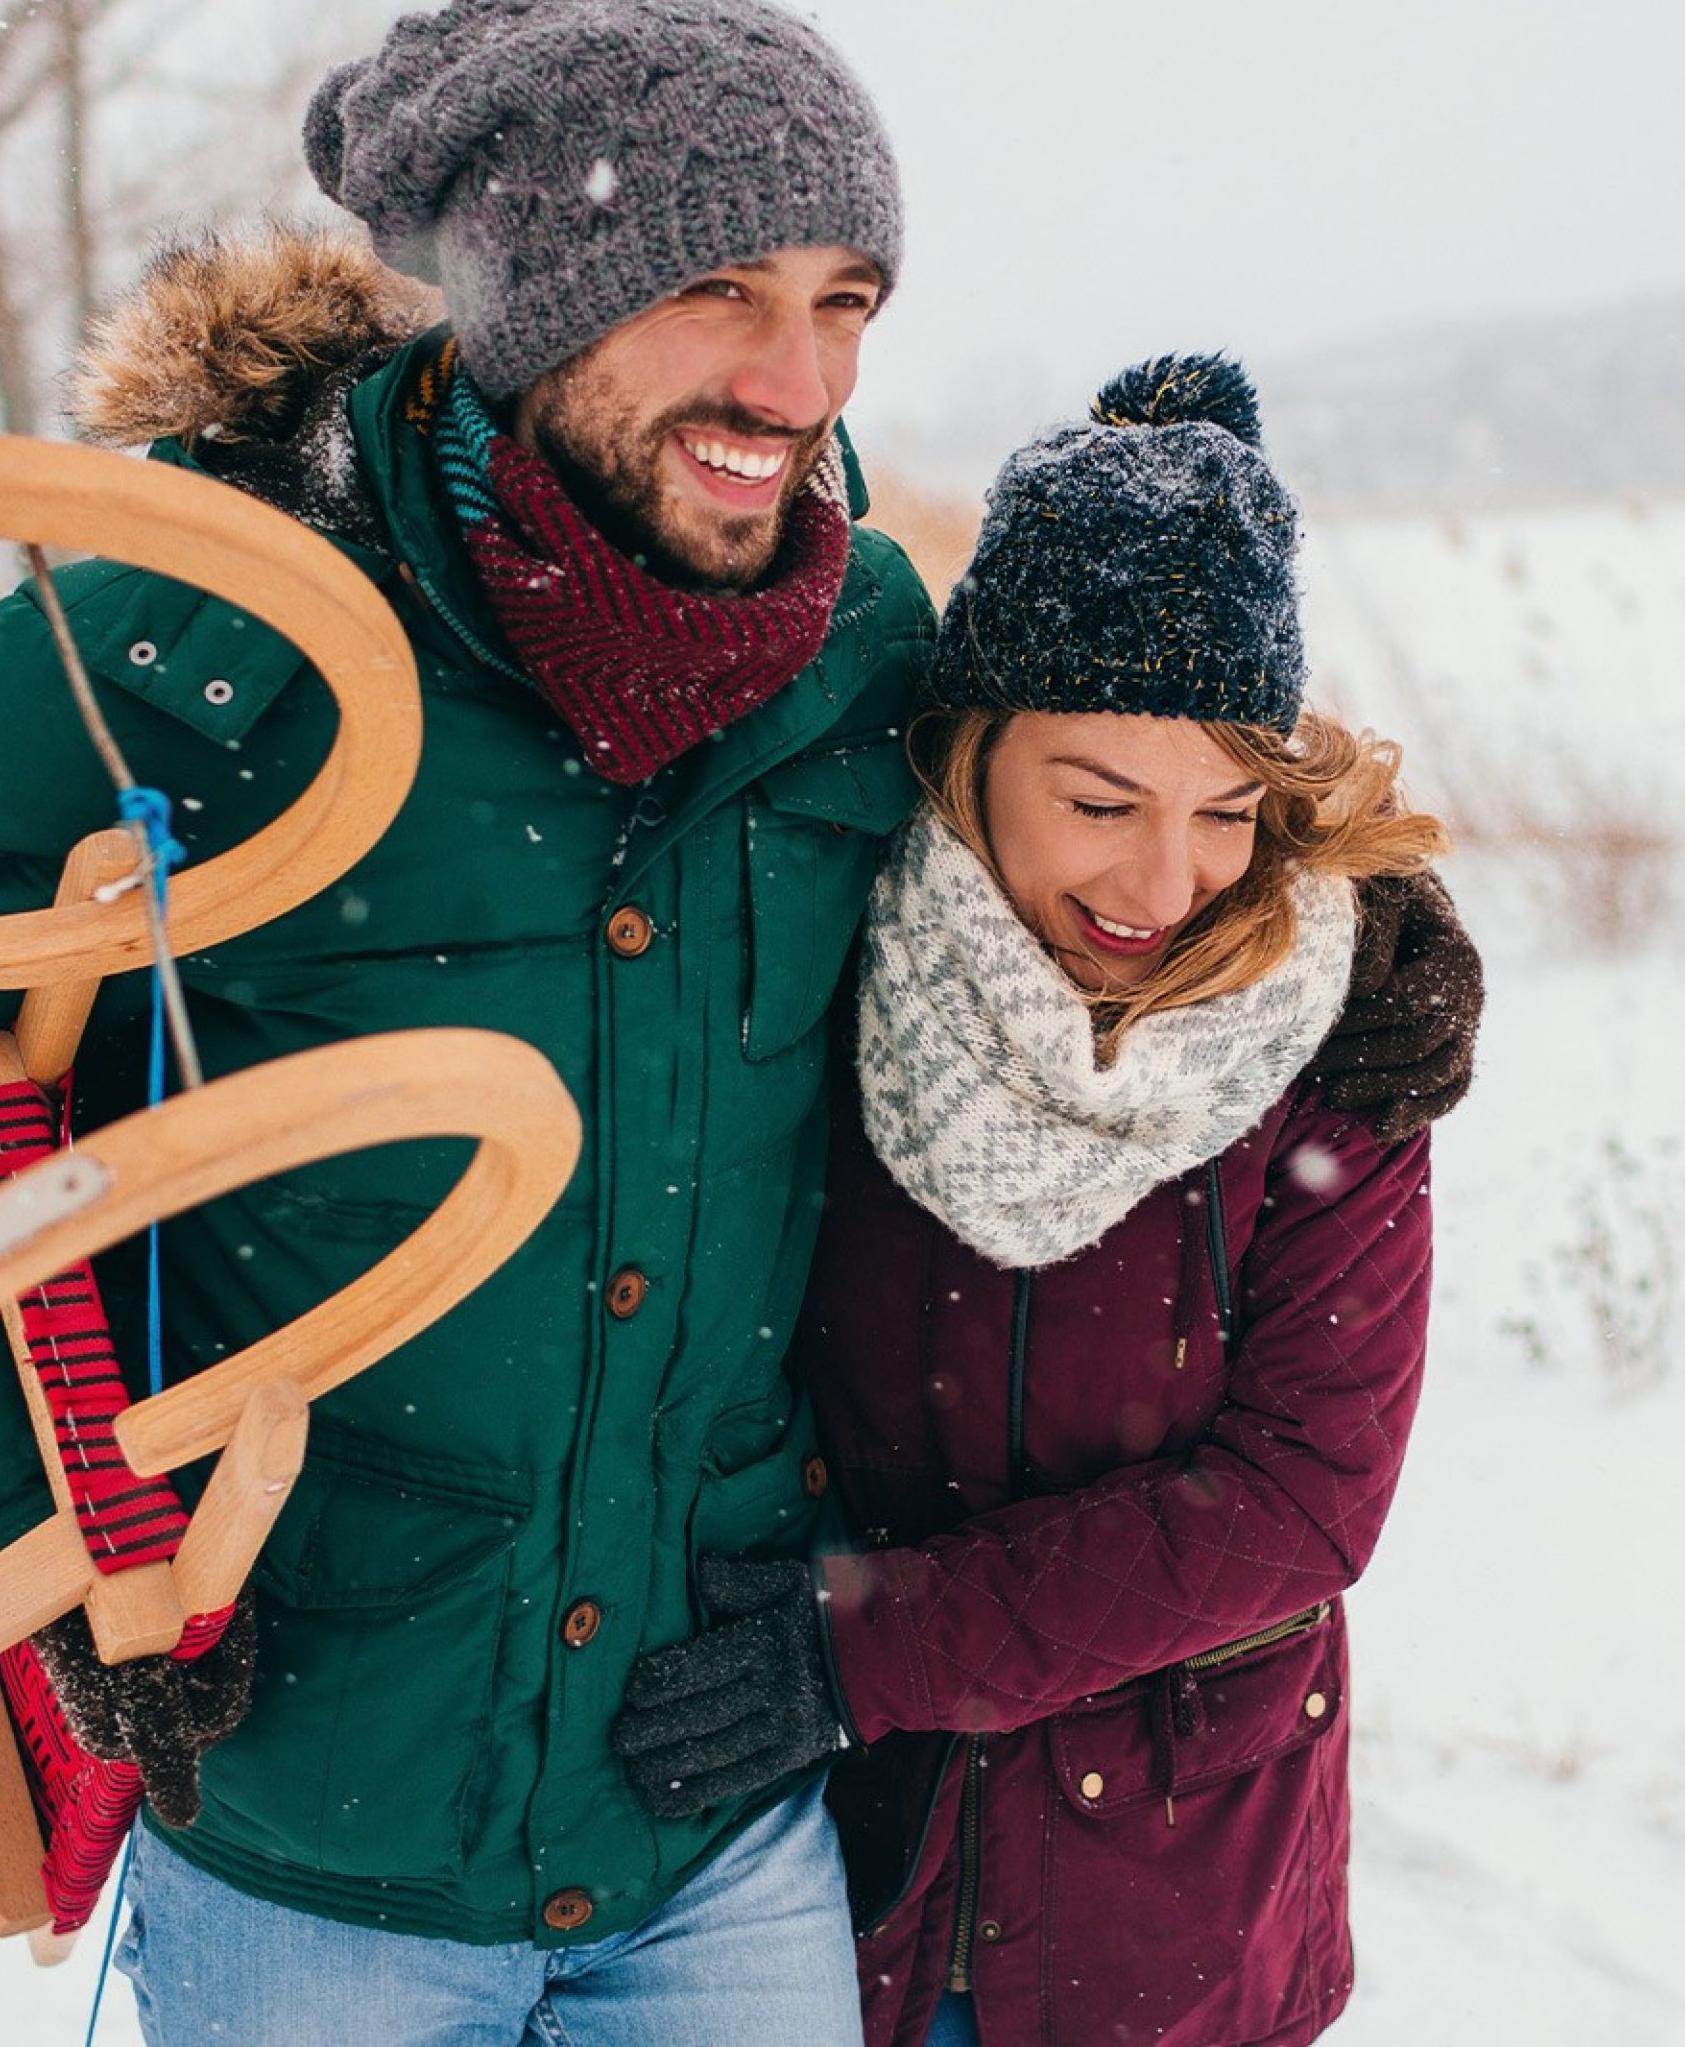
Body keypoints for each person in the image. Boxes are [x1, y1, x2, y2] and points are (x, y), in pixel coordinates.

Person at [0, 0, 933, 2044]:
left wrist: (1352, 964)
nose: (799, 375)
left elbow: (1119, 884)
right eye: (724, 290)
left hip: (715, 1795)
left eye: (846, 298)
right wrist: (33, 1558)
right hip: (321, 1794)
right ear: (531, 302)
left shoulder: (866, 654)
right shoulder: (199, 642)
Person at [610, 355, 1485, 2047]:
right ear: (972, 750)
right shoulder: (822, 976)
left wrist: (859, 1650)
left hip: (1166, 1900)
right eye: (1099, 803)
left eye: (1226, 811)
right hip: (842, 1875)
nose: (1167, 883)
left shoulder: (1334, 1045)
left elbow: (1302, 1501)